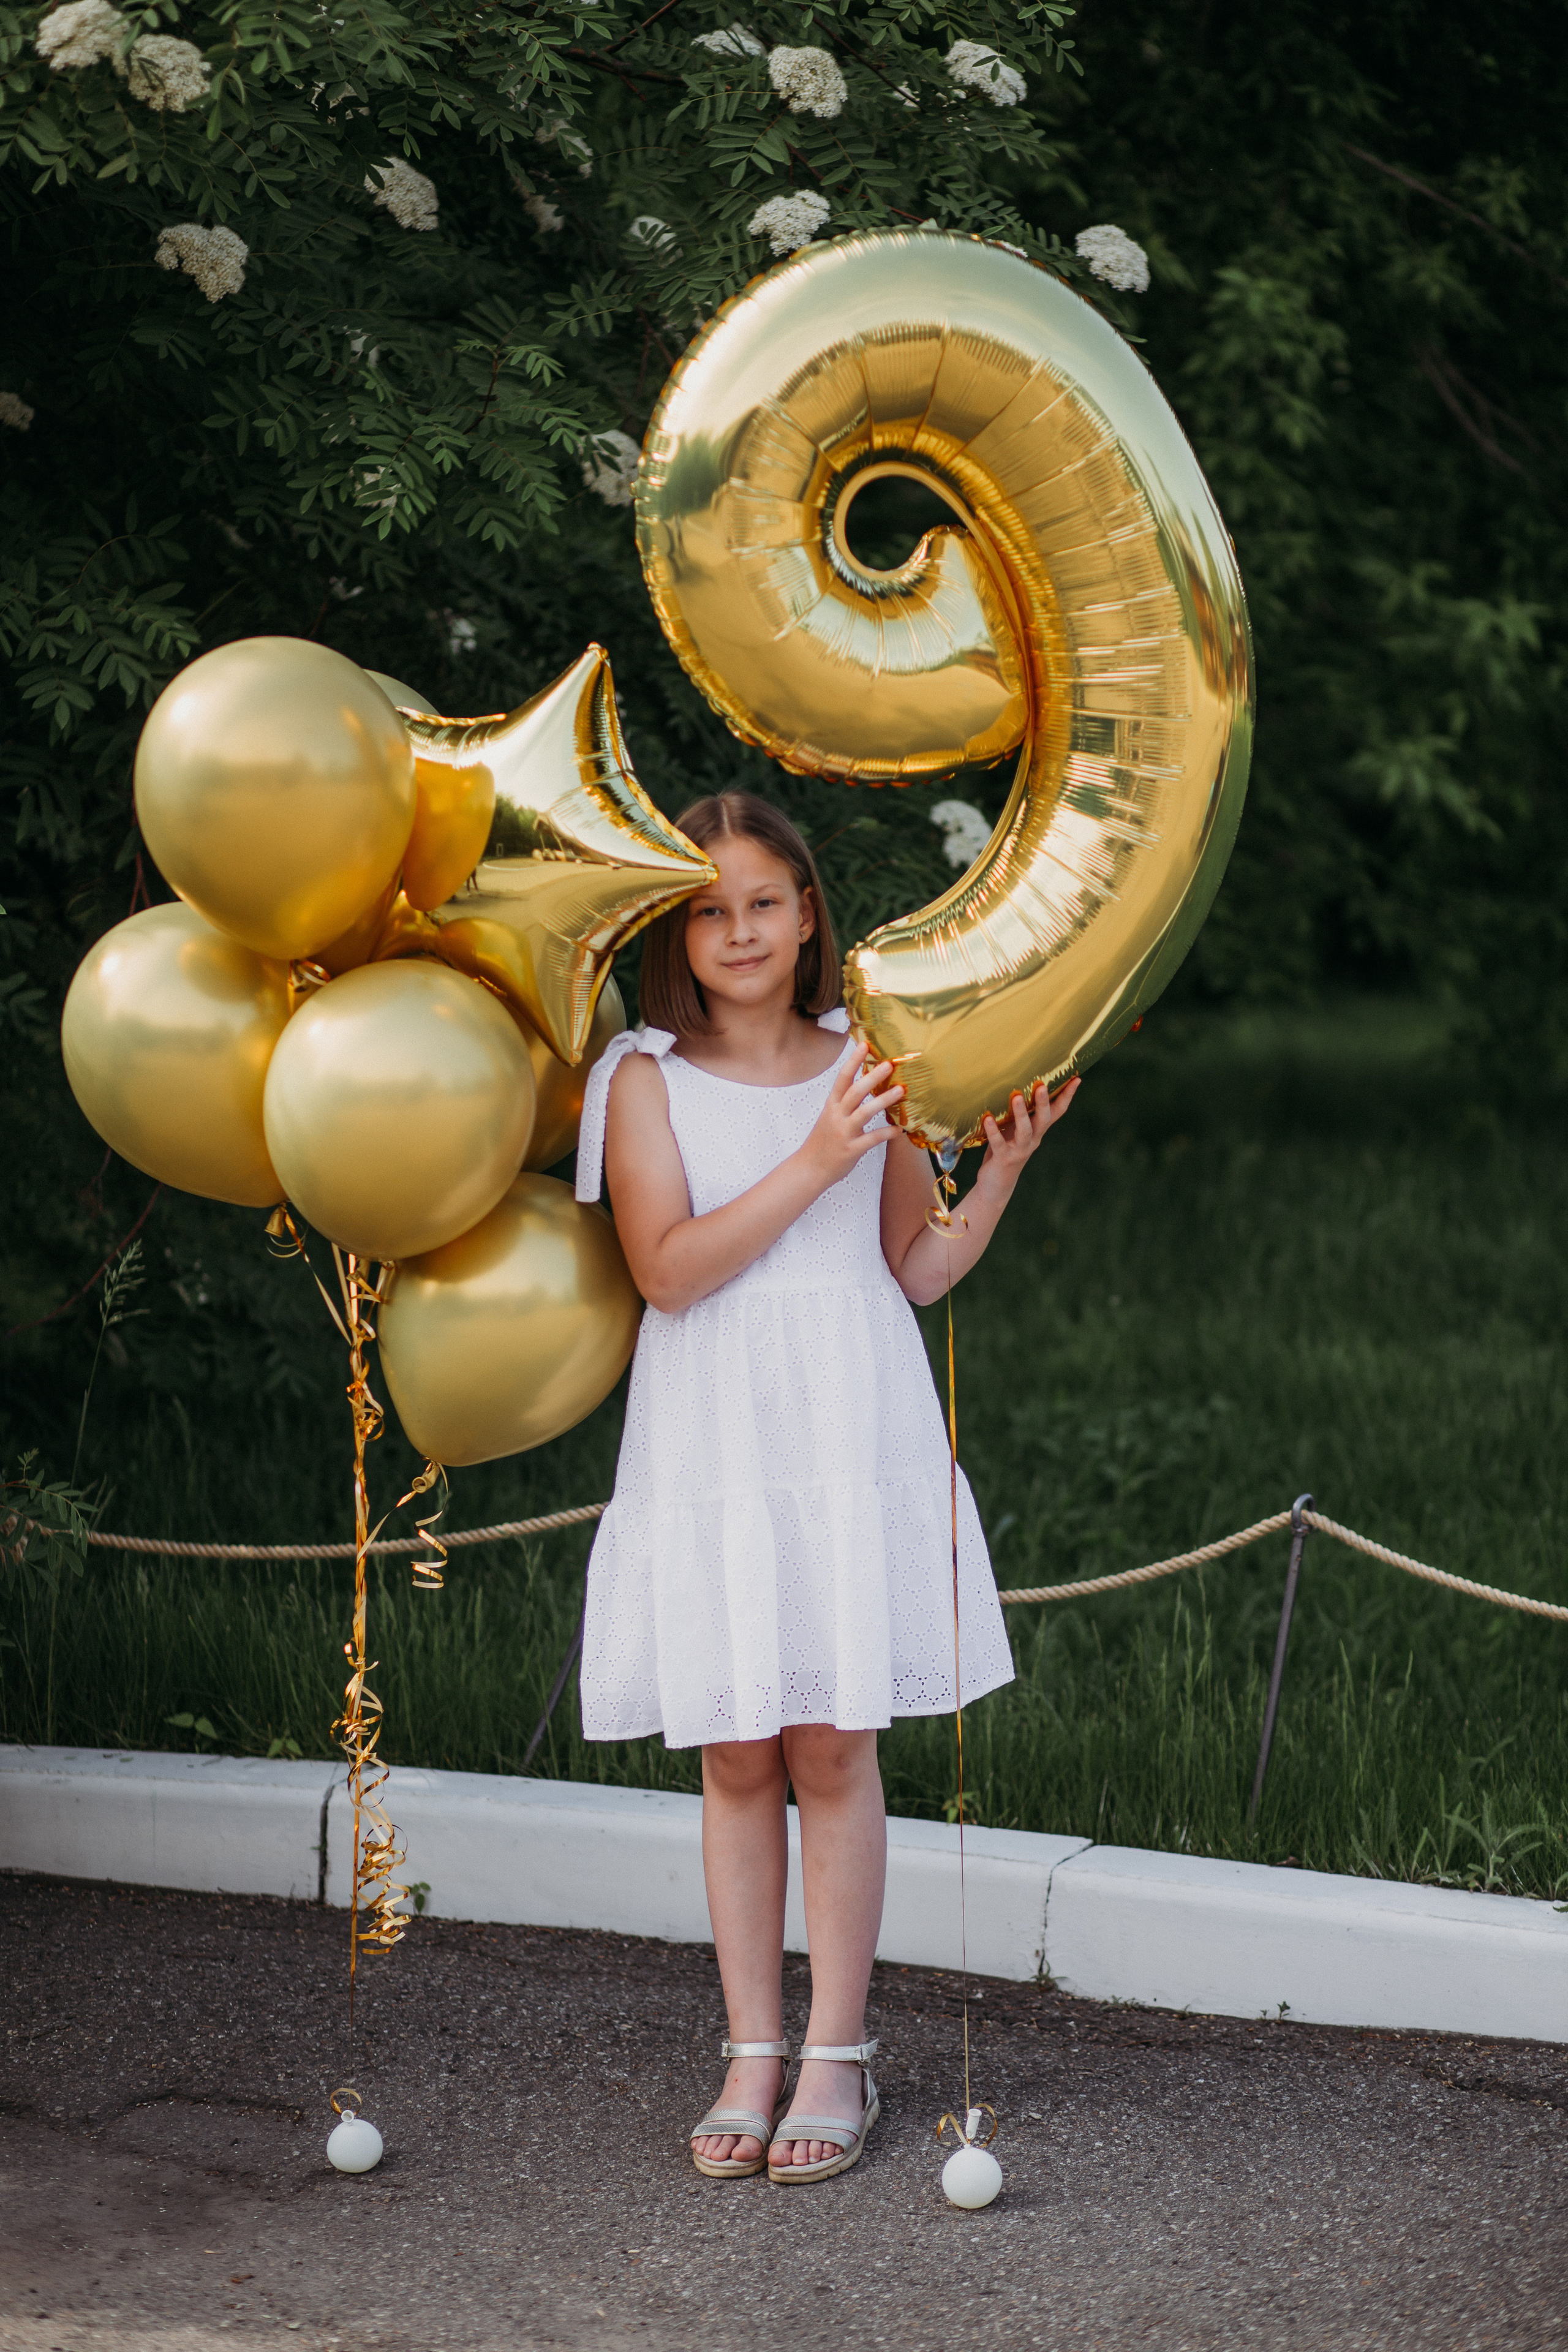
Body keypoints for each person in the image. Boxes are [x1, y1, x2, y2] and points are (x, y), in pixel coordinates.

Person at [573, 790, 1077, 2185]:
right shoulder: (642, 1079)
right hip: (719, 1436)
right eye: (708, 908)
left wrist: (1000, 1175)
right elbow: (667, 1269)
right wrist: (814, 1155)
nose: (738, 931)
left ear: (808, 916)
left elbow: (909, 1267)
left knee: (832, 1744)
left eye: (764, 903)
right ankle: (750, 2047)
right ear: (678, 929)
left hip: (847, 1425)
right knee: (736, 1749)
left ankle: (837, 2051)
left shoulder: (872, 1058)